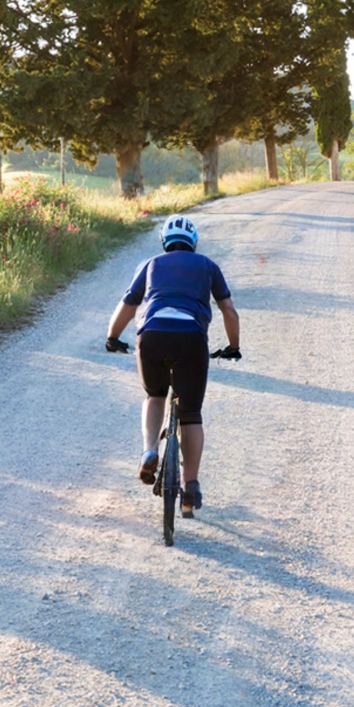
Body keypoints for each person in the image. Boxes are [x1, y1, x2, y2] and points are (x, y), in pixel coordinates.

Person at [104, 215, 240, 515]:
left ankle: (150, 450)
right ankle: (190, 486)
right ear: (194, 242)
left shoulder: (150, 265)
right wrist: (233, 347)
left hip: (151, 335)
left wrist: (113, 338)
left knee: (155, 395)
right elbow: (228, 309)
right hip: (191, 338)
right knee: (190, 413)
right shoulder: (207, 266)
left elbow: (128, 305)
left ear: (164, 241)